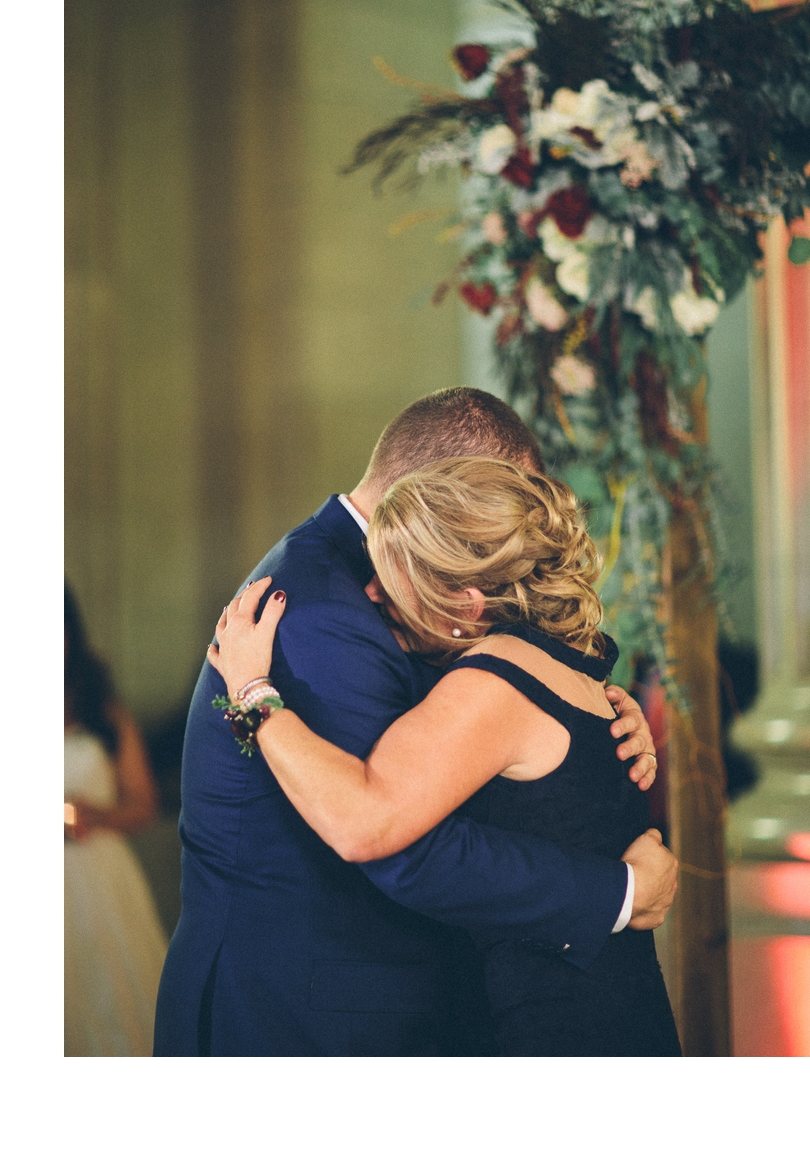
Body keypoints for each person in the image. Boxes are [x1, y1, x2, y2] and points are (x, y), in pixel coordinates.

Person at [154, 387, 675, 1056]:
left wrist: (593, 725)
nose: (511, 529)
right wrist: (619, 891)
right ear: (433, 490)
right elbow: (391, 835)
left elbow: (482, 738)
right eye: (490, 497)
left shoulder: (449, 619)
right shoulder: (318, 609)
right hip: (299, 1015)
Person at [65, 585, 171, 1056]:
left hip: (96, 875)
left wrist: (94, 814)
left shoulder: (99, 707)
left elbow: (144, 803)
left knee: (113, 1003)